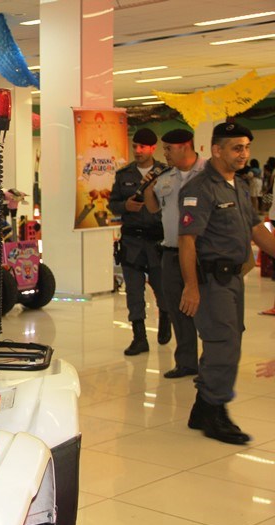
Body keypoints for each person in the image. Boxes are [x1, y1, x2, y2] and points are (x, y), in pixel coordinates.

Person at [178, 122, 275, 445]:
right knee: (224, 345)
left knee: (226, 341)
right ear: (216, 150)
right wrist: (191, 287)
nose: (243, 153)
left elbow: (255, 228)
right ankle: (214, 411)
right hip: (210, 280)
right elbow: (187, 241)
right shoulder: (200, 188)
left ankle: (201, 408)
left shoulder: (239, 185)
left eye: (246, 147)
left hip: (234, 278)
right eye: (236, 147)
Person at [142, 129, 206, 379]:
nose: (164, 154)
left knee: (207, 309)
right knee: (177, 308)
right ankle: (187, 362)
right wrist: (148, 188)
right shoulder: (165, 177)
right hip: (171, 252)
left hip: (202, 253)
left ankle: (211, 363)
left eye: (169, 149)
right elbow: (153, 208)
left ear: (185, 146)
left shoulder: (208, 173)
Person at [109, 128, 169, 355]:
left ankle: (166, 316)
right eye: (135, 146)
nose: (138, 150)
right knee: (134, 291)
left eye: (142, 147)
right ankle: (139, 337)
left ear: (153, 148)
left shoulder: (165, 173)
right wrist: (125, 206)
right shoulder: (124, 174)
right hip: (132, 240)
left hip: (157, 240)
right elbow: (113, 203)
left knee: (161, 287)